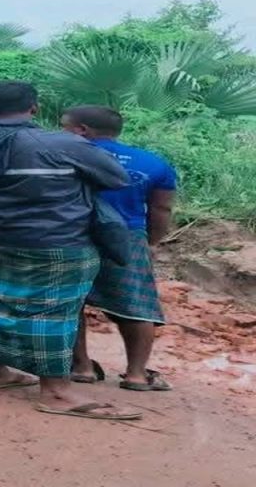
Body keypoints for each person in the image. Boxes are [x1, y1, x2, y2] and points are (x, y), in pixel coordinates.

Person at [0, 81, 139, 421]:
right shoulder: (62, 143)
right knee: (53, 313)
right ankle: (55, 392)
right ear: (34, 108)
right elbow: (117, 178)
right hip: (56, 241)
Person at [61, 105, 177, 392]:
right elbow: (162, 207)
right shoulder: (153, 162)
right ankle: (137, 374)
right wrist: (151, 242)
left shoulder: (63, 156)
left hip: (71, 232)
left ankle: (82, 367)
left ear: (82, 130)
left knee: (70, 301)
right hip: (127, 234)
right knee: (137, 302)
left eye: (64, 126)